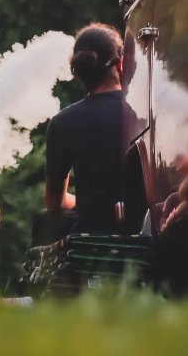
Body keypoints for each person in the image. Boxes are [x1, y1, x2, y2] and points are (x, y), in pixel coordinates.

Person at [43, 23, 128, 237]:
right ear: (120, 64)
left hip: (93, 235)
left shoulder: (63, 123)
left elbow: (54, 203)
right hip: (148, 228)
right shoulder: (147, 110)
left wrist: (80, 202)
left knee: (43, 221)